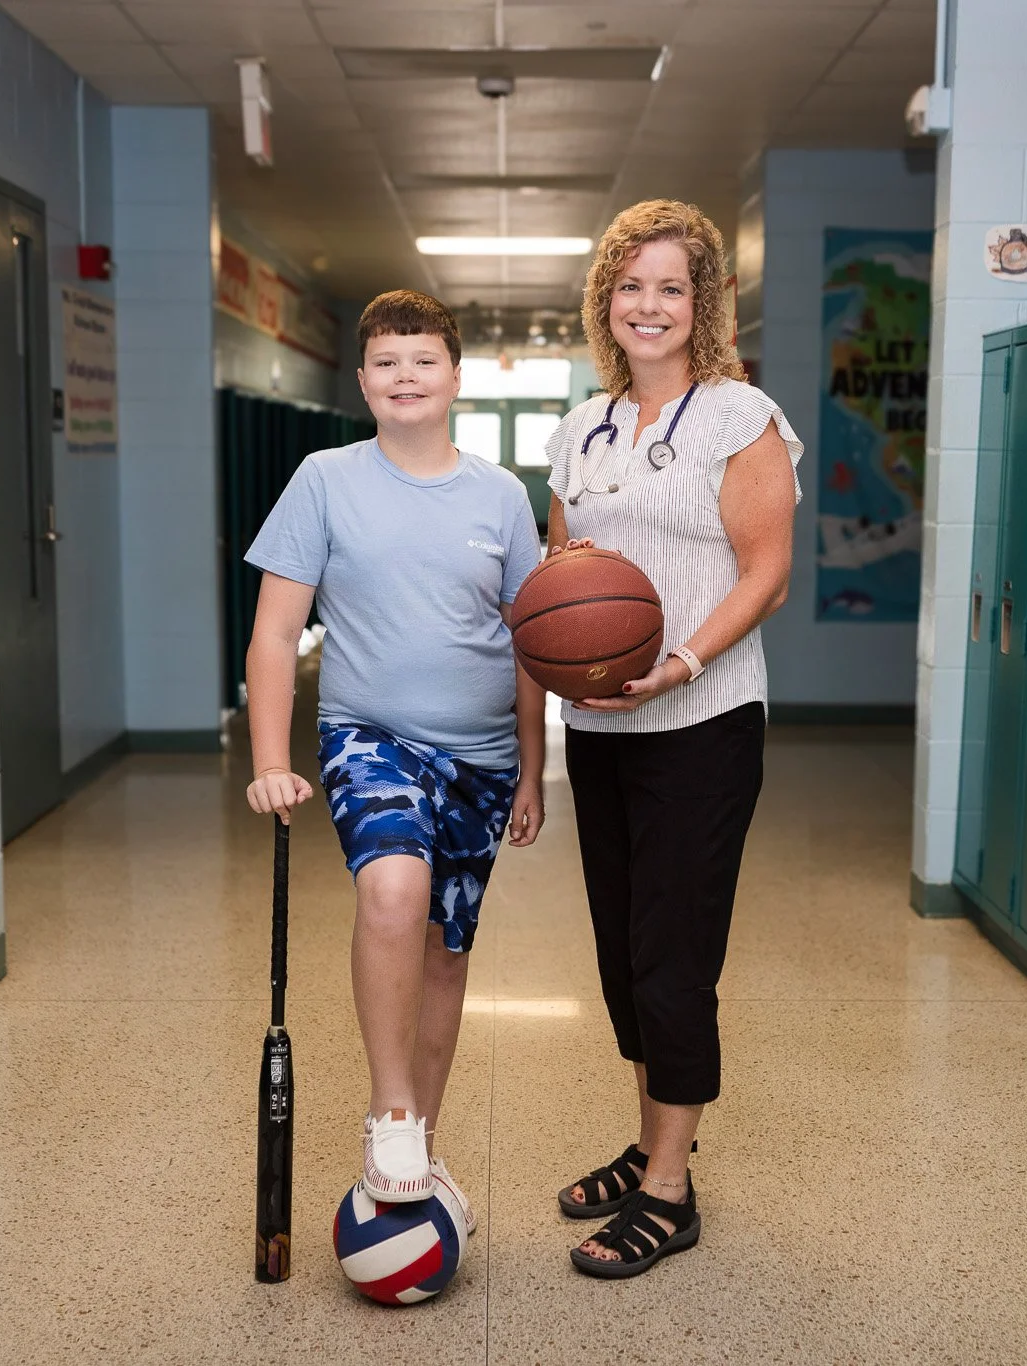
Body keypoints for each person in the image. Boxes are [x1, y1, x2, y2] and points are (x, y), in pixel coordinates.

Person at [241, 290, 547, 1226]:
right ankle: (390, 1110)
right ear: (363, 381)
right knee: (393, 891)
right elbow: (274, 634)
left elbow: (532, 641)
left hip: (483, 757)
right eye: (385, 363)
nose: (404, 377)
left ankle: (421, 1143)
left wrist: (534, 771)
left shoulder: (501, 497)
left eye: (422, 360)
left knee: (445, 956)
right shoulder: (324, 480)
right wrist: (268, 759)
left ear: (456, 376)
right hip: (368, 737)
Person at [543, 200, 801, 1278]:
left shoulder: (739, 416)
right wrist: (570, 679)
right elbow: (560, 582)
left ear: (700, 306)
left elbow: (765, 571)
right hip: (602, 726)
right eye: (629, 285)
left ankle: (667, 1188)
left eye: (669, 288)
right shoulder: (580, 429)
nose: (646, 305)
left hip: (700, 718)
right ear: (606, 302)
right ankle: (652, 1137)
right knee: (619, 954)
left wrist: (681, 662)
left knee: (672, 952)